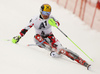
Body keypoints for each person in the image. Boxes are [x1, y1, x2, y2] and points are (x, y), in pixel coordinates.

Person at [12, 4, 91, 69]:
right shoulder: (35, 19)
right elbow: (26, 28)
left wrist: (55, 24)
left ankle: (82, 61)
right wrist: (18, 37)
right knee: (37, 36)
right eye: (44, 13)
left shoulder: (51, 18)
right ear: (40, 11)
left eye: (48, 13)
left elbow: (57, 23)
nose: (46, 15)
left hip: (50, 37)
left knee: (62, 49)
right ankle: (52, 49)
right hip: (39, 39)